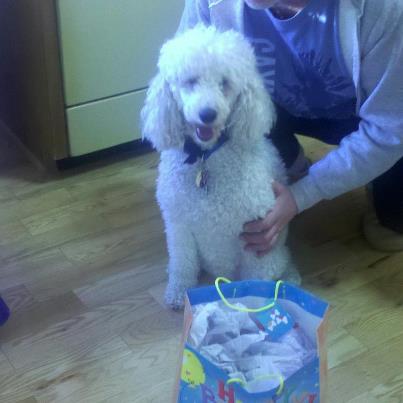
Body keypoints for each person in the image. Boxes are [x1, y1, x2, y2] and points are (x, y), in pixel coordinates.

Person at [177, 0, 403, 253]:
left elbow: (391, 128)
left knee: (393, 227)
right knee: (243, 114)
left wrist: (302, 195)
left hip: (365, 114)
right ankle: (293, 163)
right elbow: (179, 78)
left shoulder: (386, 8)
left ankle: (372, 178)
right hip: (276, 104)